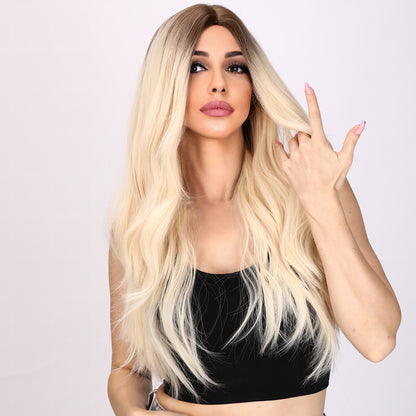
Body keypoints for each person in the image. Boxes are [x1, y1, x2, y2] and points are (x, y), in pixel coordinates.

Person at [106, 4, 401, 416]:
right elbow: (127, 370)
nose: (218, 85)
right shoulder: (143, 226)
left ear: (254, 84)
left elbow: (378, 340)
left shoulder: (310, 188)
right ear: (166, 83)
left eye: (235, 67)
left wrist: (321, 203)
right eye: (196, 67)